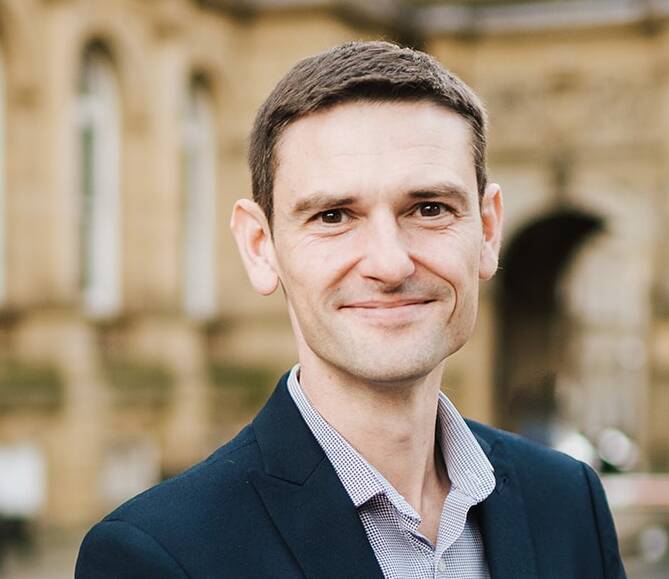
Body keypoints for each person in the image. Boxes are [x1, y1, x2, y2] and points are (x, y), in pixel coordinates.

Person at [76, 40, 626, 579]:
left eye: (429, 208)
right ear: (259, 247)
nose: (390, 264)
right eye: (334, 216)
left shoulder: (569, 503)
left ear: (486, 230)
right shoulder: (157, 555)